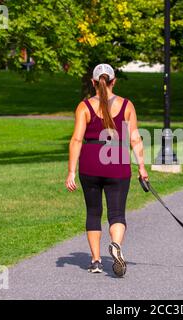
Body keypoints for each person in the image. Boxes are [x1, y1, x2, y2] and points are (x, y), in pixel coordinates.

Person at [65, 63, 148, 277]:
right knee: (117, 213)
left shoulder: (84, 106)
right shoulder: (126, 105)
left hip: (90, 163)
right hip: (118, 162)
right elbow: (135, 138)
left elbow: (76, 139)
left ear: (93, 82)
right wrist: (141, 167)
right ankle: (116, 245)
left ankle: (95, 261)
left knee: (93, 212)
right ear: (114, 81)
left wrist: (71, 171)